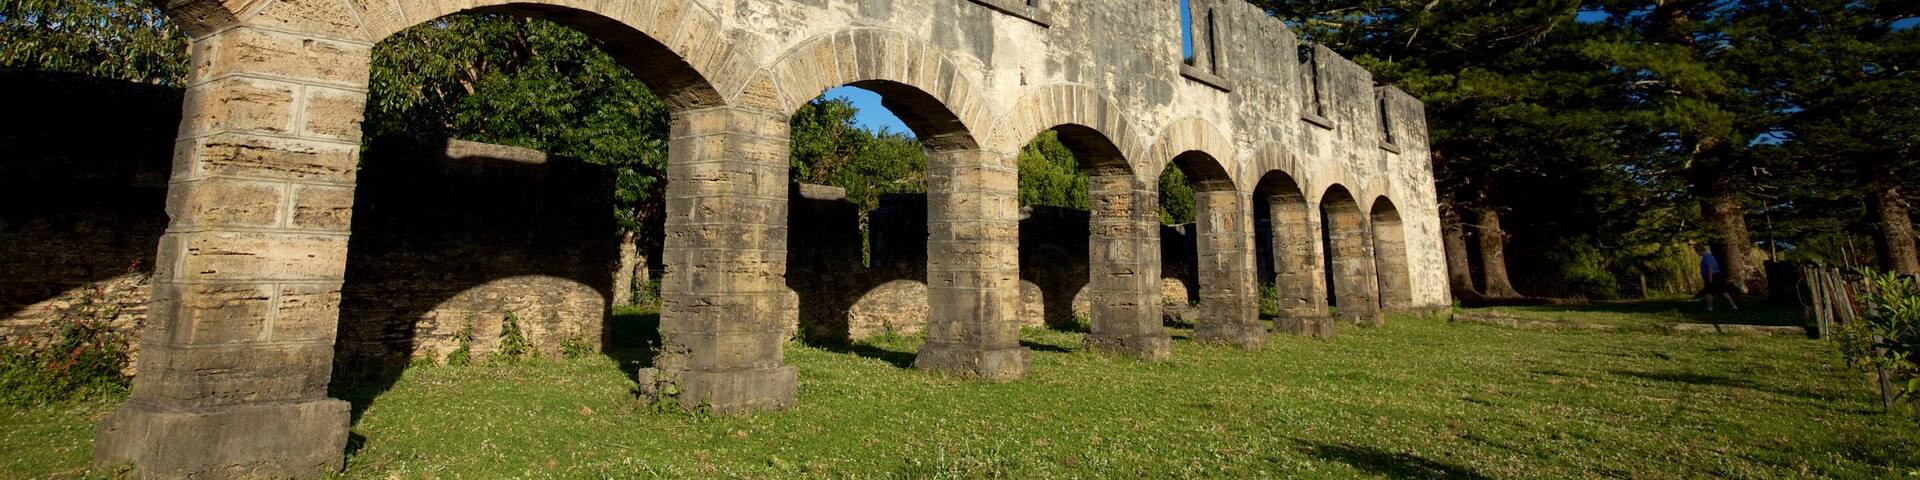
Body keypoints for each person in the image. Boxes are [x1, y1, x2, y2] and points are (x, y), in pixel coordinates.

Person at [1697, 245, 1738, 311]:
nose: (1697, 253)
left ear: (1699, 251)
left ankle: (1710, 307)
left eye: (1697, 251)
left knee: (1708, 291)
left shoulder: (1705, 257)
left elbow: (1710, 267)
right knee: (1722, 291)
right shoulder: (1710, 255)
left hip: (1712, 275)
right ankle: (1734, 305)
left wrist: (1710, 277)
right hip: (1718, 275)